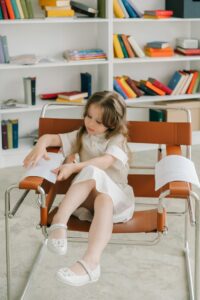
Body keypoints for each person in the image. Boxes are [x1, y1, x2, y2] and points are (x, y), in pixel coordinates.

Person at [23, 91, 135, 287]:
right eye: (88, 116)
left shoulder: (118, 138)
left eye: (99, 122)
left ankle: (60, 222)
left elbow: (106, 161)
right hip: (93, 202)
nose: (91, 123)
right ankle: (91, 264)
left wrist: (74, 166)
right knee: (102, 200)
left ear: (113, 124)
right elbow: (51, 138)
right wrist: (40, 145)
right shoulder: (82, 135)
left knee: (94, 174)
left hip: (117, 199)